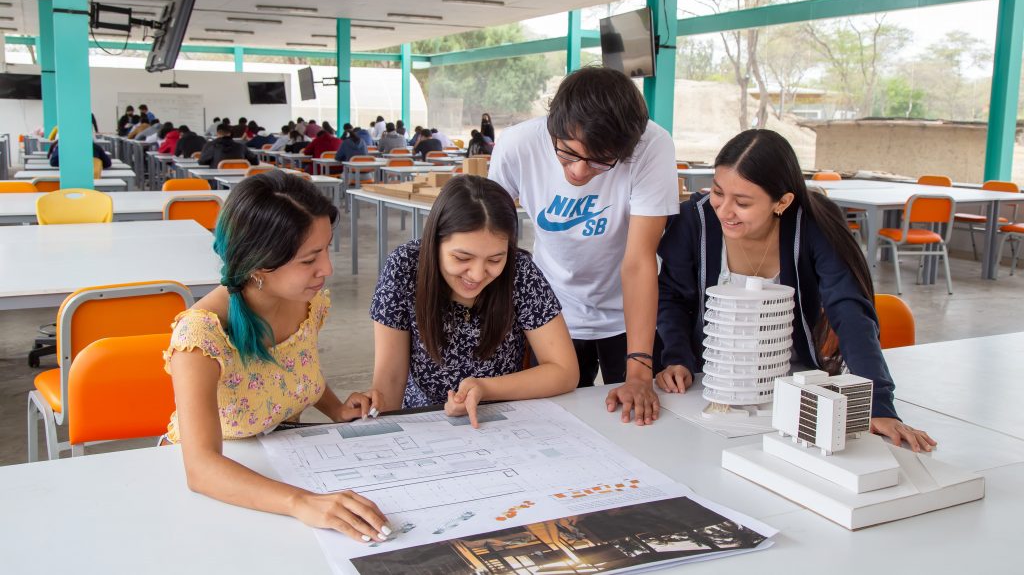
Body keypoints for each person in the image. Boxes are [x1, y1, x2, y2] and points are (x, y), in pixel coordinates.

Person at [656, 129, 937, 451]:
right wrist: (676, 357)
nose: (723, 210)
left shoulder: (813, 223)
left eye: (742, 202)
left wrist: (878, 405)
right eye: (718, 192)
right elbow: (672, 297)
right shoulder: (695, 220)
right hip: (709, 386)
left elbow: (848, 309)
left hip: (793, 387)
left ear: (782, 202)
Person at [163, 171, 391, 542]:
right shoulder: (202, 337)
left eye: (326, 248)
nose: (327, 269)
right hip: (221, 489)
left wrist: (335, 409)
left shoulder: (305, 304)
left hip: (283, 463)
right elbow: (201, 468)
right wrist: (301, 502)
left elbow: (293, 371)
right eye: (309, 259)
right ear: (258, 265)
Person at [489, 66, 679, 426]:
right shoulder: (518, 145)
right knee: (550, 423)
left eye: (600, 161)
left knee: (639, 422)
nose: (578, 172)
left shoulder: (652, 146)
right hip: (551, 313)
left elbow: (638, 261)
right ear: (553, 126)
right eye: (567, 153)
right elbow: (491, 238)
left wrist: (639, 373)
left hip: (628, 312)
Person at [370, 176, 578, 425]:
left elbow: (564, 371)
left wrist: (485, 388)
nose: (477, 275)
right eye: (462, 258)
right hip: (425, 420)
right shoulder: (404, 267)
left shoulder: (520, 272)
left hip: (501, 419)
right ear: (434, 242)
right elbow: (390, 378)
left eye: (495, 260)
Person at [47, 139, 113, 169]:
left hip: (68, 181)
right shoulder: (93, 146)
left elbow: (53, 162)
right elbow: (107, 163)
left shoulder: (63, 145)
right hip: (92, 180)